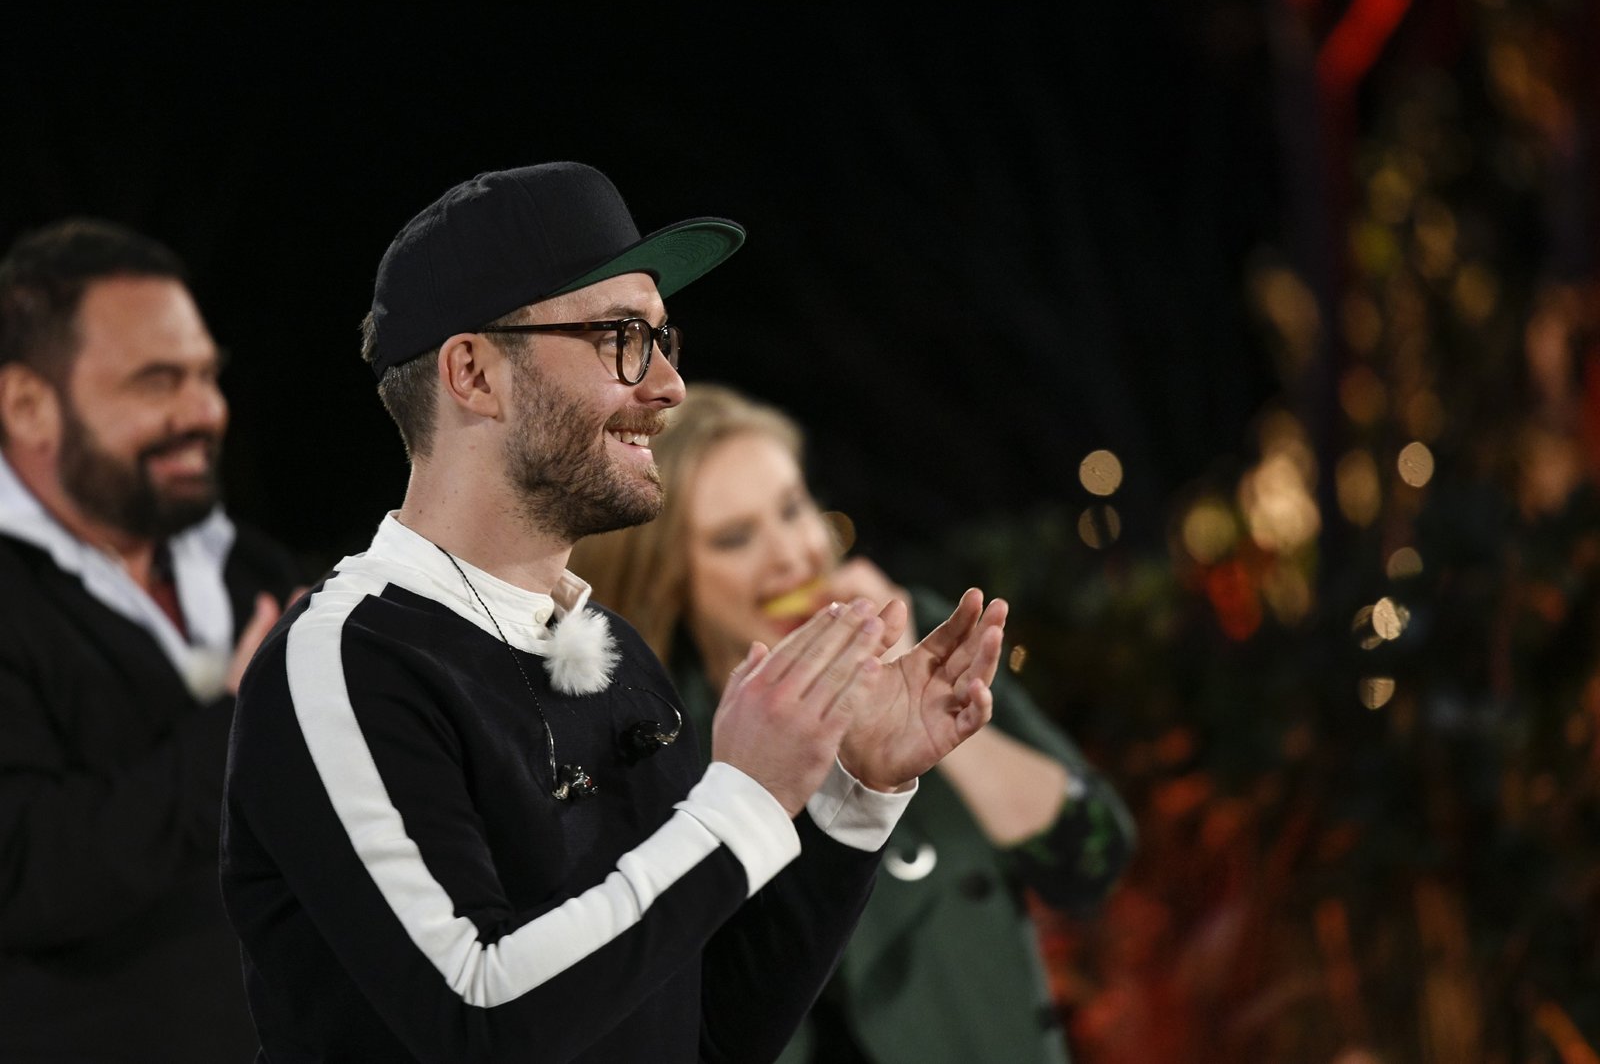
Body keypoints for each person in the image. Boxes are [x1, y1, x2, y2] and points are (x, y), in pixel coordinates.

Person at [219, 161, 1011, 1064]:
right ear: (473, 372)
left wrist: (851, 794)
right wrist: (743, 799)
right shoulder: (344, 659)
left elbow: (704, 1035)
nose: (669, 384)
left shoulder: (613, 655)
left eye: (662, 336)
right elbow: (475, 1015)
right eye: (620, 337)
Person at [569, 382, 1138, 1064]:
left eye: (792, 509)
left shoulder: (928, 632)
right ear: (667, 575)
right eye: (736, 538)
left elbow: (1094, 858)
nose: (791, 555)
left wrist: (937, 717)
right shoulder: (653, 740)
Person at [0, 218, 304, 1062]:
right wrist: (246, 722)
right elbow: (22, 872)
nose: (205, 411)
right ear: (26, 404)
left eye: (207, 374)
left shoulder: (256, 569)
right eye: (157, 381)